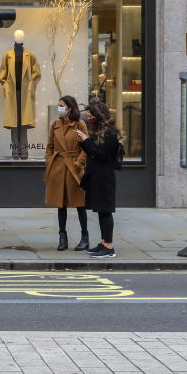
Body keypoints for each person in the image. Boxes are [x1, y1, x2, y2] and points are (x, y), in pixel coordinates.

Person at [75, 99, 120, 259]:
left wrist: (85, 140)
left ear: (98, 116)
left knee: (105, 211)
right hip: (97, 176)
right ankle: (103, 242)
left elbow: (100, 153)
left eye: (90, 116)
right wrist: (85, 140)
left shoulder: (109, 133)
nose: (88, 119)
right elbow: (92, 150)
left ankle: (109, 247)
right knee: (101, 211)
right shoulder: (99, 131)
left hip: (104, 177)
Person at [44, 95, 90, 251]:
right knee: (60, 204)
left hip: (74, 168)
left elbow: (86, 146)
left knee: (80, 204)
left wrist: (79, 163)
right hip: (58, 167)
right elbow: (50, 146)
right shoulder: (55, 125)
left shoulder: (80, 124)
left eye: (62, 105)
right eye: (58, 105)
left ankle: (85, 237)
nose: (59, 108)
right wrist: (50, 161)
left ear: (70, 107)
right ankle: (62, 237)